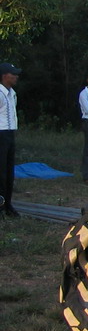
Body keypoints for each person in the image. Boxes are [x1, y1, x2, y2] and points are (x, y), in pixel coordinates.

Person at [0, 63, 21, 217]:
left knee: (9, 171)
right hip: (0, 133)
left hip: (9, 133)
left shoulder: (12, 93)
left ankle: (8, 203)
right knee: (1, 172)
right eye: (12, 74)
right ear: (4, 76)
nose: (16, 77)